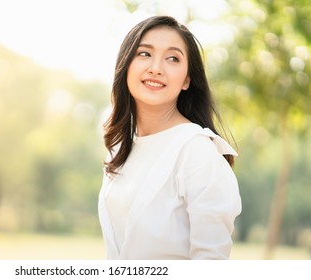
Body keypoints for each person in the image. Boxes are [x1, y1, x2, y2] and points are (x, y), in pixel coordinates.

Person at [98, 15, 242, 260]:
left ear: (187, 79)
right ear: (126, 64)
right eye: (144, 54)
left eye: (173, 58)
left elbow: (211, 261)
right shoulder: (120, 147)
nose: (156, 67)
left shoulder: (197, 150)